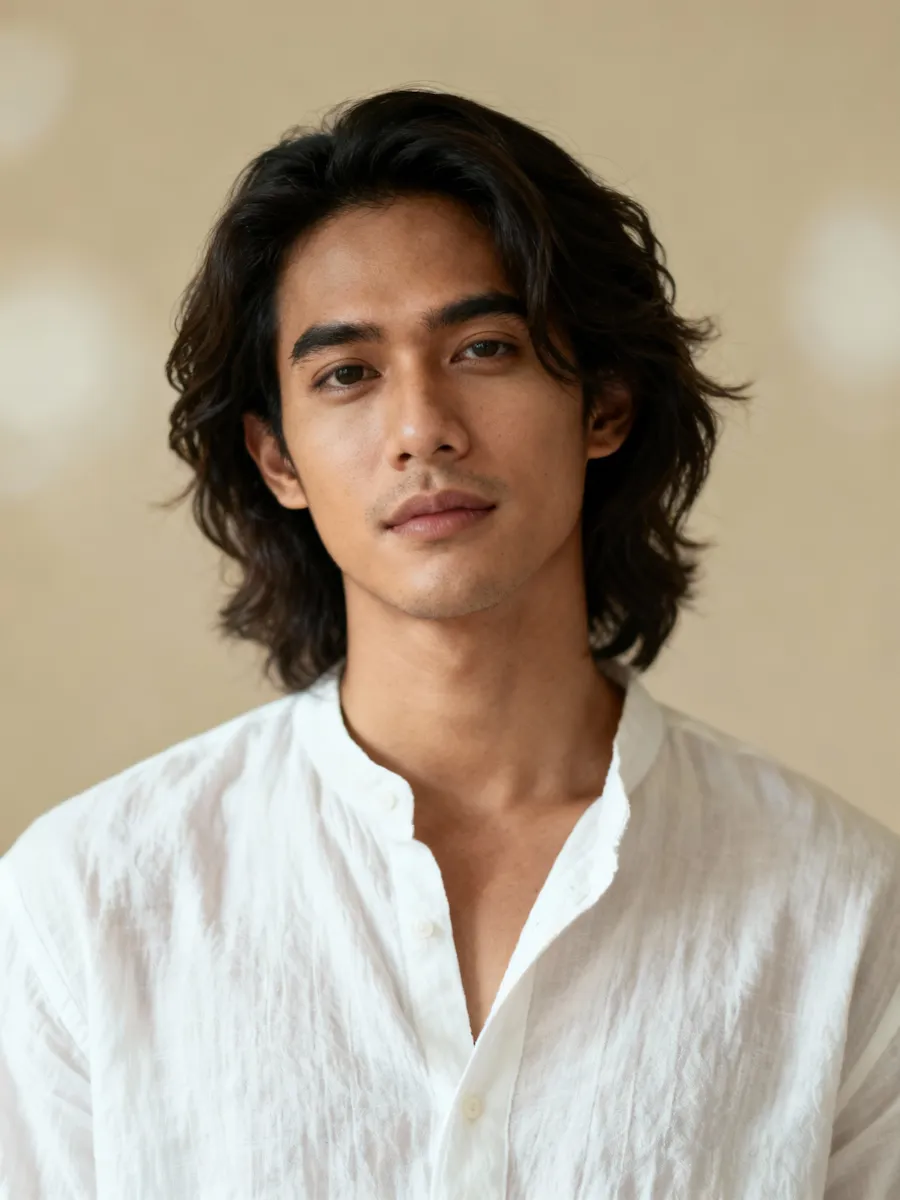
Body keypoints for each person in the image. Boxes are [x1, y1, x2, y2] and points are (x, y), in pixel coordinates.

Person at [1, 87, 898, 1200]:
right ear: (277, 459)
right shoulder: (89, 904)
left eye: (482, 347)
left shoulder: (844, 912)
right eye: (347, 374)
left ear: (605, 404)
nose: (421, 426)